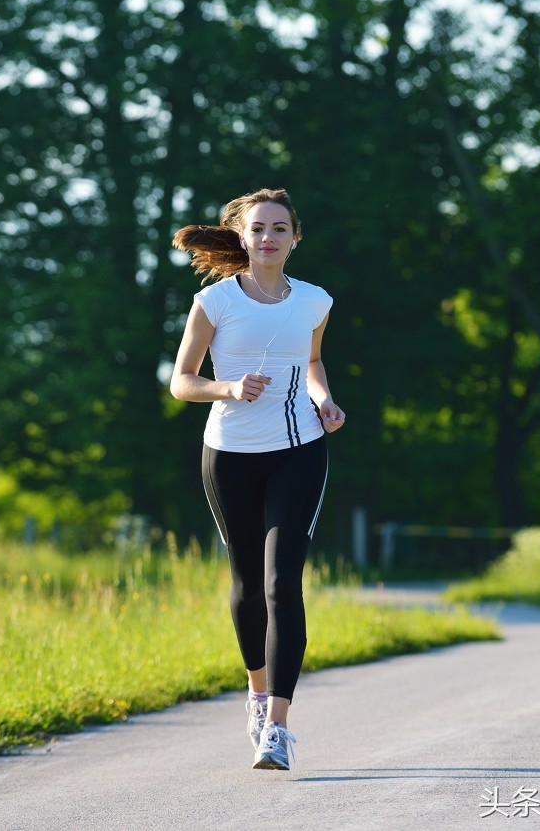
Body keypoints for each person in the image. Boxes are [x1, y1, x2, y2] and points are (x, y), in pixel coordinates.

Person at [169, 188, 345, 769]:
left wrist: (324, 400)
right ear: (241, 238)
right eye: (258, 229)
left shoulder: (315, 302)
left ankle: (278, 726)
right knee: (247, 582)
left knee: (281, 583)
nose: (267, 237)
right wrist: (229, 387)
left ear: (295, 237)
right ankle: (256, 691)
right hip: (230, 453)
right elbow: (182, 382)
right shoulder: (215, 303)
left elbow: (312, 362)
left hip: (299, 449)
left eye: (279, 228)